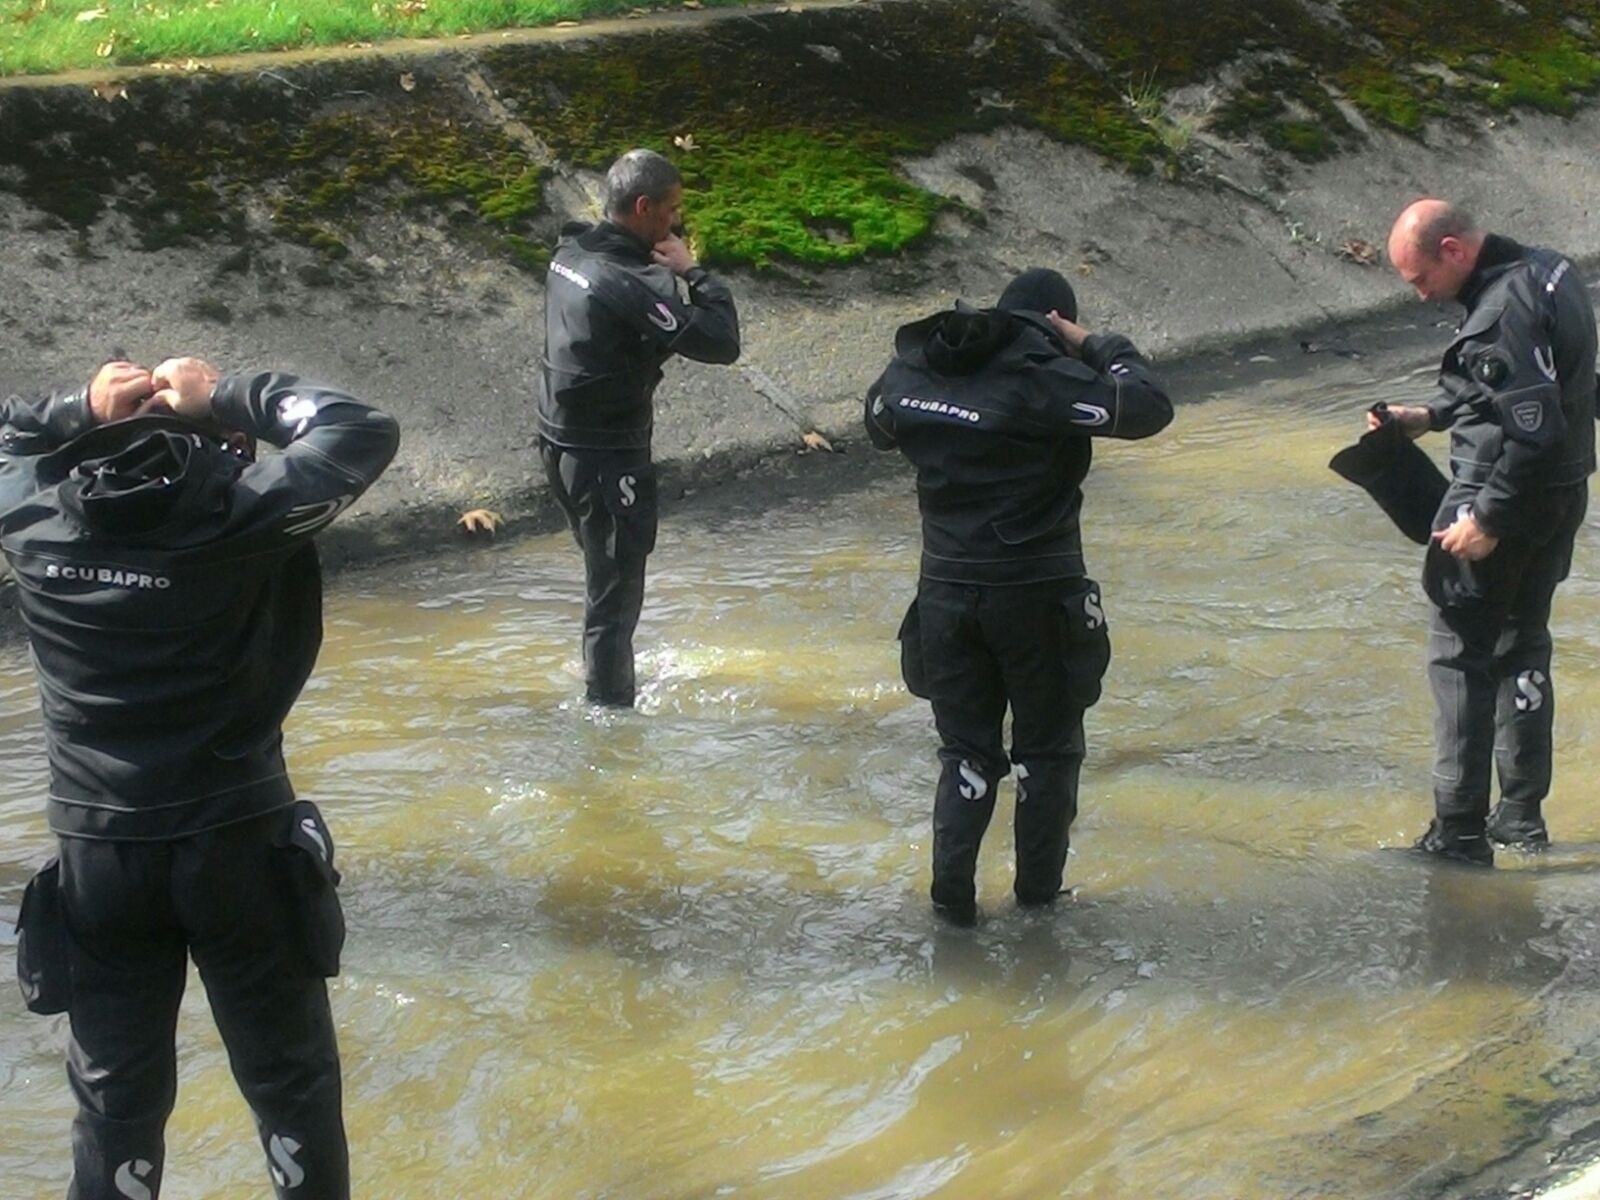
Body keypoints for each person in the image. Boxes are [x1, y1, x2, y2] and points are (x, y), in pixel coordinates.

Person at [3, 356, 399, 1198]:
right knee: (291, 1091)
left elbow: (10, 438)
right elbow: (359, 427)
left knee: (115, 1105)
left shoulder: (35, 516)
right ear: (227, 446)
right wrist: (224, 392)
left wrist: (80, 405)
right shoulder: (244, 512)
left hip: (99, 855)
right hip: (238, 846)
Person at [866, 268, 1173, 924]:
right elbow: (1148, 405)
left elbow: (878, 424)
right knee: (1047, 750)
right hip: (1037, 594)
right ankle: (1037, 904)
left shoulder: (919, 368)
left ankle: (952, 902)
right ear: (1055, 319)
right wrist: (1096, 343)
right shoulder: (1045, 375)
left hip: (945, 594)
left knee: (966, 752)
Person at [1376, 199, 1595, 865]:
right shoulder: (1551, 270)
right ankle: (1521, 818)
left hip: (1505, 495)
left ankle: (1458, 833)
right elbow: (1549, 388)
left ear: (1453, 250)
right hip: (1562, 494)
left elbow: (1533, 431)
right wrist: (1432, 414)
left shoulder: (1499, 310)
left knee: (1458, 659)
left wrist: (1488, 519)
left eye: (1419, 279)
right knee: (1522, 644)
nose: (1419, 295)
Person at [538, 148, 742, 707]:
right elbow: (720, 343)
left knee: (601, 580)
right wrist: (692, 272)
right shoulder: (629, 281)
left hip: (557, 444)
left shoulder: (572, 248)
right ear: (645, 207)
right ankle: (610, 718)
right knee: (616, 595)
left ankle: (600, 673)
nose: (677, 222)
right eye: (672, 210)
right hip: (606, 458)